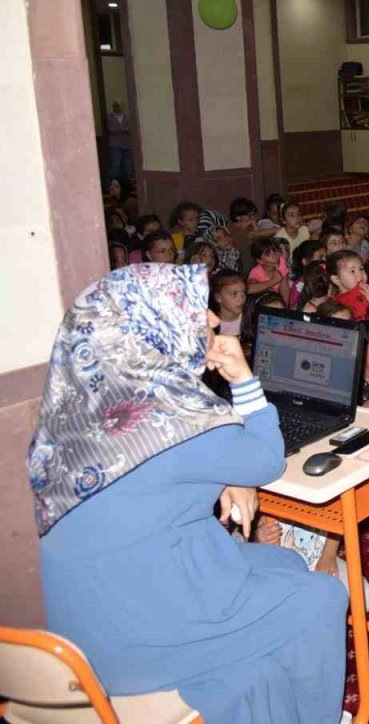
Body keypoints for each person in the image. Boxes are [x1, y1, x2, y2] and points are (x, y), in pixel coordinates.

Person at [32, 264, 348, 723]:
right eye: (192, 309)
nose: (213, 320)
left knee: (283, 561)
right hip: (143, 642)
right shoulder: (173, 421)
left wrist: (226, 474)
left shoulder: (72, 412)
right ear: (151, 330)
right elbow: (266, 459)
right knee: (322, 598)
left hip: (80, 633)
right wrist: (242, 378)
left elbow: (158, 479)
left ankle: (270, 696)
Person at [105, 100, 133, 186]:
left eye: (118, 105)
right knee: (115, 165)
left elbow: (131, 129)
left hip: (127, 145)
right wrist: (123, 129)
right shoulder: (110, 117)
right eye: (115, 105)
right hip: (115, 145)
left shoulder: (127, 117)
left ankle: (126, 185)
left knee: (127, 165)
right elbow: (110, 129)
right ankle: (114, 185)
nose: (117, 107)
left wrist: (121, 129)